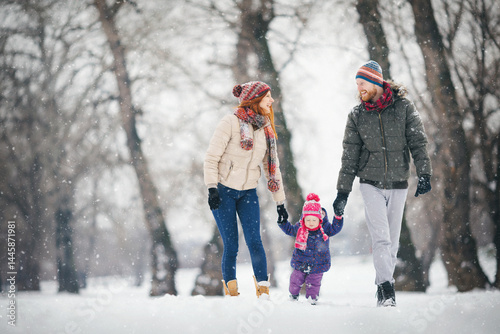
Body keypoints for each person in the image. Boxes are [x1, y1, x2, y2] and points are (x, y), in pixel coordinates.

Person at [333, 60, 432, 307]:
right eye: (357, 84)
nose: (359, 88)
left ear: (376, 81)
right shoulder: (356, 116)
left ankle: (381, 284)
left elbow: (418, 142)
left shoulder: (404, 108)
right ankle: (388, 289)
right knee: (381, 238)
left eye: (362, 83)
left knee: (393, 241)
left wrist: (424, 174)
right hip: (370, 183)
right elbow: (349, 155)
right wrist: (342, 192)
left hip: (399, 182)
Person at [204, 81, 289, 298]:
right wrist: (212, 188)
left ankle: (263, 291)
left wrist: (280, 202)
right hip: (223, 192)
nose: (271, 100)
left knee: (254, 240)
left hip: (248, 192)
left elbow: (273, 169)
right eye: (267, 96)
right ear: (255, 99)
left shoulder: (265, 129)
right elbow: (211, 158)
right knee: (231, 244)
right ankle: (232, 294)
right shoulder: (230, 123)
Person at [278, 193, 343, 305]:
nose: (311, 223)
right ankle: (293, 296)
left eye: (314, 220)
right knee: (295, 279)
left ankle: (312, 300)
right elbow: (289, 230)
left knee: (314, 283)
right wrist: (283, 222)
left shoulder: (325, 228)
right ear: (303, 219)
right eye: (308, 220)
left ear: (319, 220)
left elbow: (335, 229)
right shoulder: (300, 228)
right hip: (301, 262)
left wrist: (338, 217)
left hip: (318, 263)